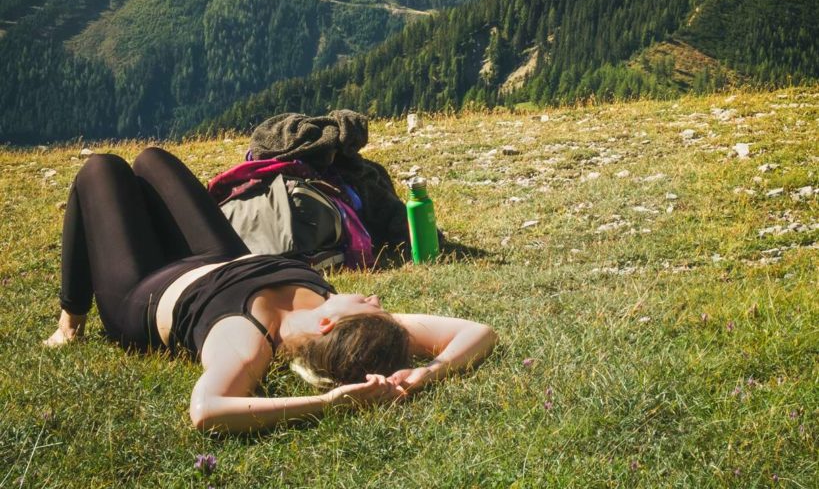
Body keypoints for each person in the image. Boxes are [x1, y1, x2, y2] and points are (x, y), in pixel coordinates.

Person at [46, 147, 497, 433]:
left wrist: (325, 402)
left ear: (328, 324)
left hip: (146, 288)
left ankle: (70, 322)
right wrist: (427, 373)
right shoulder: (346, 320)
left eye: (369, 304)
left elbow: (206, 410)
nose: (377, 300)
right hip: (222, 258)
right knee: (151, 161)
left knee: (101, 169)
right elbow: (478, 330)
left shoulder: (247, 342)